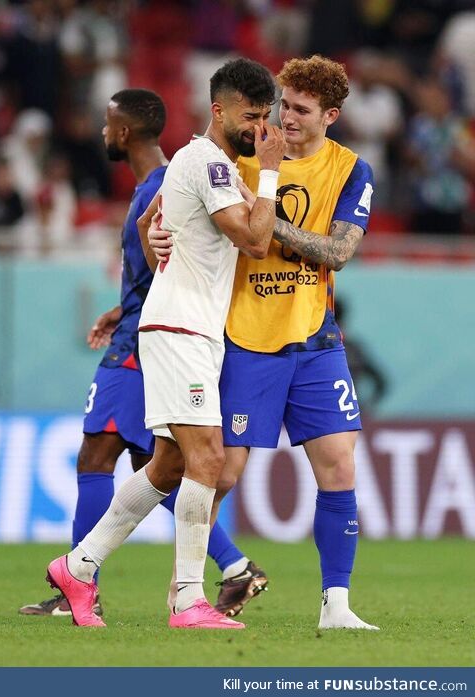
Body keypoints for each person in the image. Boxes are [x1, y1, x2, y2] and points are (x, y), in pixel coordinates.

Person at [45, 59, 286, 629]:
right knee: (208, 456)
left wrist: (155, 240)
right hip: (180, 328)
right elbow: (254, 242)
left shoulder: (196, 164)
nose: (259, 128)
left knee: (169, 466)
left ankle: (77, 569)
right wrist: (271, 173)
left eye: (264, 118)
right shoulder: (209, 164)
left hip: (191, 327)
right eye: (251, 117)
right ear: (219, 109)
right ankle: (187, 599)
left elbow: (148, 225)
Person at [151, 54, 380, 630]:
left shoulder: (350, 170)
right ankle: (189, 591)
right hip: (245, 339)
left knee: (338, 467)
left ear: (330, 114)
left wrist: (263, 218)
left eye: (301, 110)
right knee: (218, 475)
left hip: (315, 341)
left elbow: (338, 253)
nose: (286, 119)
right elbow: (162, 208)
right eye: (283, 106)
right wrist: (153, 234)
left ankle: (337, 606)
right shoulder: (241, 155)